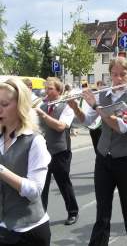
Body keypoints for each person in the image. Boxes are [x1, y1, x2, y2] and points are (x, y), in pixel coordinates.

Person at [68, 57, 127, 246]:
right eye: (114, 75)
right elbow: (87, 122)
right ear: (110, 75)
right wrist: (76, 107)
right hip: (103, 159)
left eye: (122, 75)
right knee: (102, 212)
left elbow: (122, 126)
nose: (118, 79)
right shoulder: (104, 95)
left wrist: (95, 105)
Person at [0, 78, 51, 245]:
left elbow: (35, 191)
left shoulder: (35, 141)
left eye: (4, 104)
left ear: (20, 106)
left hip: (28, 232)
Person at [36, 77, 79, 226]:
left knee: (63, 183)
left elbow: (61, 126)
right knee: (42, 185)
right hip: (44, 150)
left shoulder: (67, 105)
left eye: (50, 89)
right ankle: (40, 216)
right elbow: (37, 126)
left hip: (61, 150)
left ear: (59, 90)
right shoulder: (42, 106)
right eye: (46, 88)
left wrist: (43, 115)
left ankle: (73, 212)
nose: (46, 92)